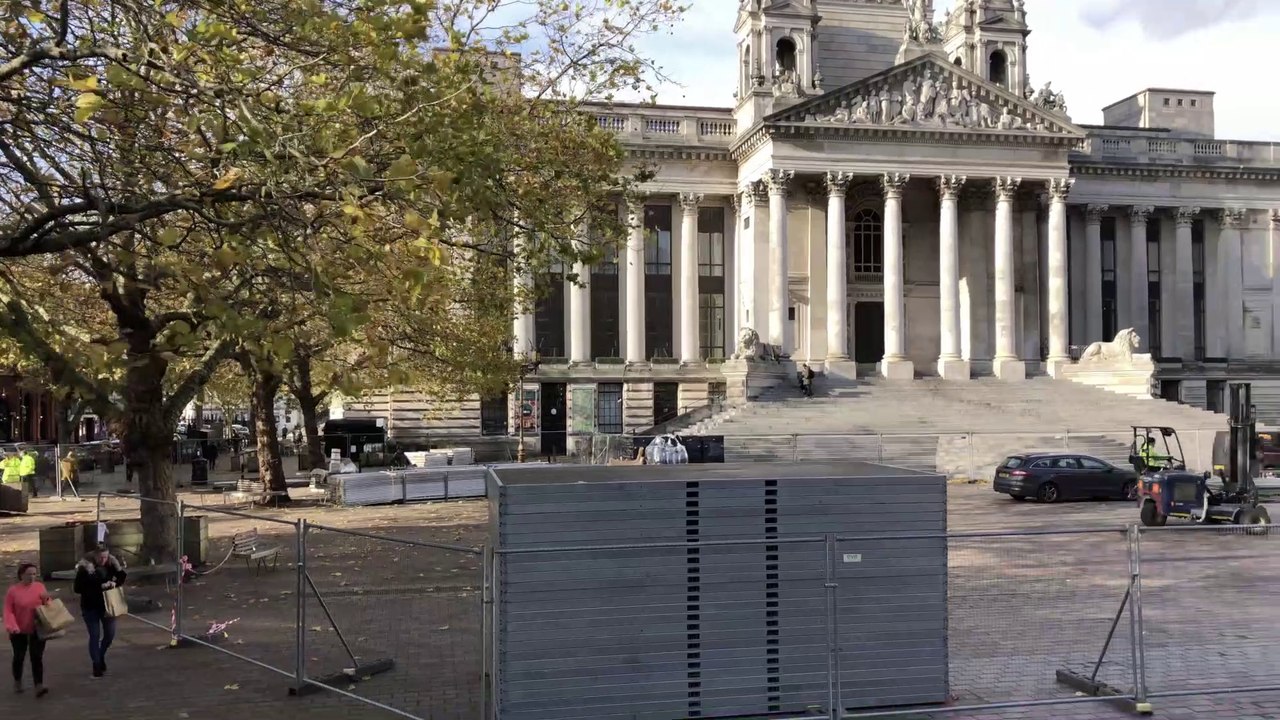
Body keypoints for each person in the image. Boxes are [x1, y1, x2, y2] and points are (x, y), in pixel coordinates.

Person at [74, 547, 127, 678]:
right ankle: (96, 664)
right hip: (90, 606)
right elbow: (77, 588)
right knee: (94, 635)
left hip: (108, 605)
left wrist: (115, 579)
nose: (103, 560)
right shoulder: (85, 569)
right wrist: (98, 586)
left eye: (106, 557)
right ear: (95, 557)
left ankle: (100, 654)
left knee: (109, 635)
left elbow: (121, 579)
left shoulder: (110, 565)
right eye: (101, 557)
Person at [5, 562, 50, 697]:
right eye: (28, 574)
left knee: (36, 657)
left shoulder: (39, 587)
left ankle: (39, 685)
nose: (32, 577)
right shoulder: (13, 591)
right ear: (21, 575)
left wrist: (46, 599)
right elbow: (8, 611)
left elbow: (48, 607)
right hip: (18, 629)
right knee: (19, 657)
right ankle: (17, 680)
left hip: (37, 628)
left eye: (34, 574)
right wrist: (12, 626)